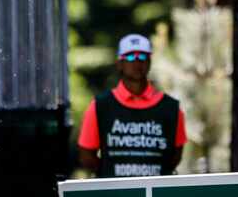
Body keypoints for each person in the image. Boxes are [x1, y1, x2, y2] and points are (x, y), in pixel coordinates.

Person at [78, 33, 187, 177]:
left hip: (157, 194)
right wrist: (110, 175)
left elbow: (175, 157)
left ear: (149, 62)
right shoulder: (99, 106)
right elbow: (86, 156)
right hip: (115, 194)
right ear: (119, 63)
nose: (137, 62)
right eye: (130, 57)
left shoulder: (171, 108)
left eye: (142, 57)